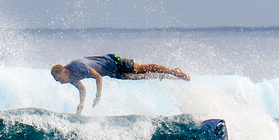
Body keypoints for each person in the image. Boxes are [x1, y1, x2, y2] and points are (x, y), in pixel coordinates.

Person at [50, 54, 190, 114]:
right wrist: (81, 105)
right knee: (139, 77)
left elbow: (98, 77)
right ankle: (168, 76)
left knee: (141, 69)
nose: (60, 83)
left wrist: (98, 95)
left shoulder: (77, 67)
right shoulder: (71, 77)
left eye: (59, 79)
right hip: (111, 72)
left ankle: (173, 71)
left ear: (63, 72)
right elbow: (81, 88)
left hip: (114, 62)